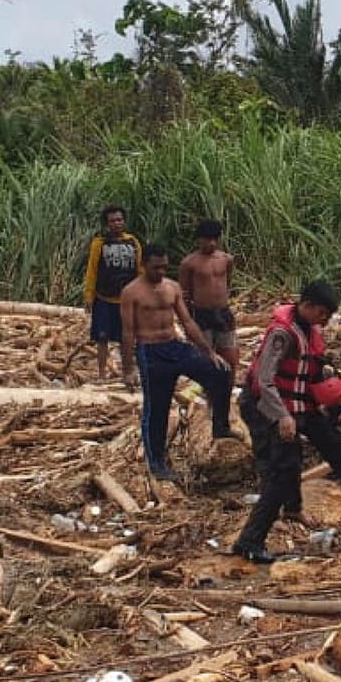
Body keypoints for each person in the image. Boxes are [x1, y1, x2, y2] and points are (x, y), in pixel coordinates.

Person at [233, 280, 341, 563]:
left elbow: (311, 371)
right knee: (283, 470)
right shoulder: (282, 334)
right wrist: (282, 416)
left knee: (336, 450)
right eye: (323, 314)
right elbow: (265, 380)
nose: (325, 321)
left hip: (300, 403)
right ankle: (249, 540)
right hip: (268, 406)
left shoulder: (308, 331)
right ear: (308, 306)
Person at [119, 244, 233, 482]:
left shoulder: (172, 287)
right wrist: (128, 369)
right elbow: (128, 333)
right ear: (144, 265)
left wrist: (208, 353)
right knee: (157, 409)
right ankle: (157, 462)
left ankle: (220, 425)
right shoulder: (132, 292)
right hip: (151, 352)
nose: (160, 272)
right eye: (155, 268)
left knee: (221, 372)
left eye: (164, 267)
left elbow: (188, 322)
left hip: (174, 345)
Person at [84, 205, 142, 382]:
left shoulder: (133, 242)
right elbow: (92, 270)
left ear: (124, 221)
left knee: (128, 337)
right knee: (102, 337)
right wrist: (89, 295)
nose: (116, 223)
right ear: (107, 224)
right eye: (112, 221)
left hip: (127, 299)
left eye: (119, 220)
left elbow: (140, 269)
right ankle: (101, 374)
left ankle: (127, 372)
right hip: (104, 297)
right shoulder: (99, 243)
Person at [178, 218, 238, 374]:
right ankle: (208, 393)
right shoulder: (189, 263)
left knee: (230, 357)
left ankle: (226, 393)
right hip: (201, 313)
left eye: (215, 239)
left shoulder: (226, 259)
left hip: (222, 312)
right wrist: (187, 319)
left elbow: (228, 282)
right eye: (207, 239)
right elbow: (184, 293)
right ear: (199, 240)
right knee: (204, 358)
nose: (211, 243)